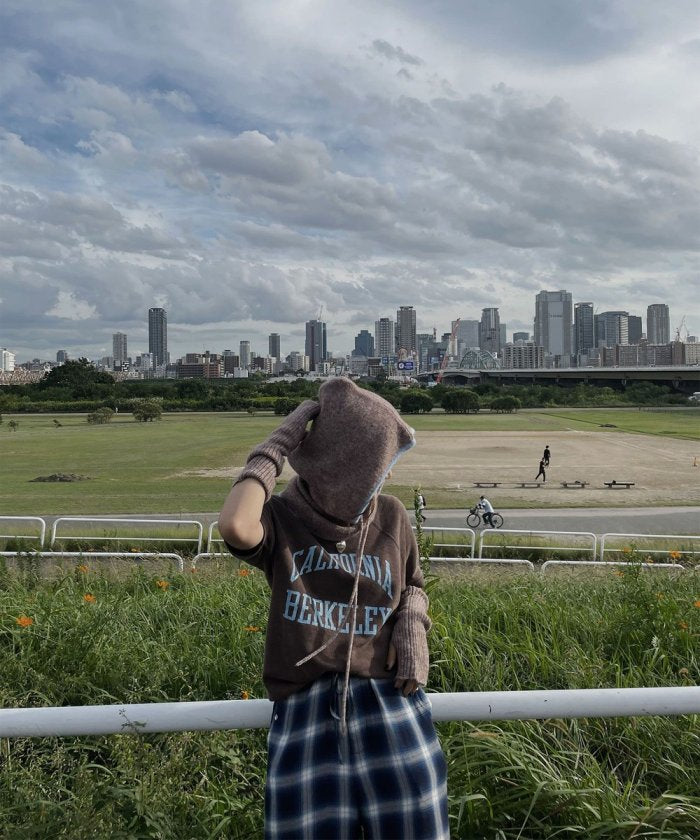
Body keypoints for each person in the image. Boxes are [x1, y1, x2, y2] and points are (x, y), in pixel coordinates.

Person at [218, 378, 449, 840]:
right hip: (307, 714)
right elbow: (236, 526)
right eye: (379, 465)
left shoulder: (391, 515)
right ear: (345, 464)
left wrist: (412, 622)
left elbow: (414, 586)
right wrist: (277, 446)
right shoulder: (282, 519)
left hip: (390, 704)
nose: (385, 477)